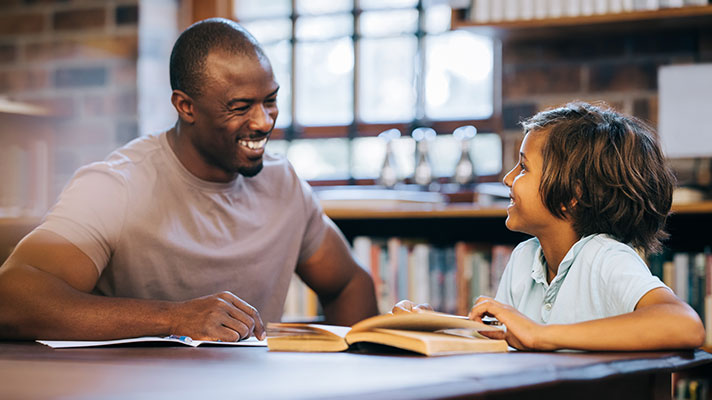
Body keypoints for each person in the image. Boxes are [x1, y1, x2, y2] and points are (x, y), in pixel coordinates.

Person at [0, 18, 378, 342]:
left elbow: (349, 284)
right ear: (185, 106)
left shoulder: (285, 185)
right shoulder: (118, 185)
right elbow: (11, 297)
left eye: (270, 100)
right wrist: (174, 319)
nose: (264, 121)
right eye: (241, 106)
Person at [394, 101, 705, 351]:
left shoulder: (604, 257)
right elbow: (505, 343)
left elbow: (684, 324)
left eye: (524, 167)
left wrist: (542, 335)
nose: (508, 178)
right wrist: (437, 326)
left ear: (573, 194)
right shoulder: (524, 259)